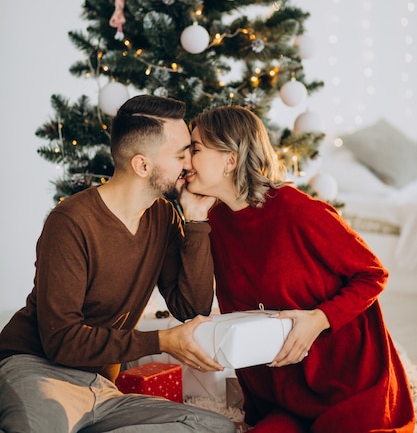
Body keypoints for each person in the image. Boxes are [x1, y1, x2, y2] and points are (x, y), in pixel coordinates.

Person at [0, 95, 235, 433]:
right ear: (142, 165)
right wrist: (162, 342)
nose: (189, 165)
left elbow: (191, 306)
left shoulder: (164, 216)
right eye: (181, 154)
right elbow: (61, 340)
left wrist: (196, 221)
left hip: (100, 386)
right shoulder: (71, 221)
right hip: (37, 369)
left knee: (212, 425)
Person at [185, 104, 415, 433]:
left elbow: (373, 274)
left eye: (195, 149)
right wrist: (194, 219)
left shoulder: (296, 210)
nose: (185, 160)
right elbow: (201, 305)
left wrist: (318, 320)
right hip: (284, 395)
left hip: (347, 383)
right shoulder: (215, 222)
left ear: (230, 159)